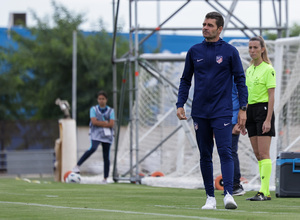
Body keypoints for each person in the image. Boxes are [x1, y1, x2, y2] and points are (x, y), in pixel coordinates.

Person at [176, 11, 248, 210]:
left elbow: (241, 81)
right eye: (204, 24)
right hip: (199, 111)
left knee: (225, 151)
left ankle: (228, 195)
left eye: (209, 25)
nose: (205, 27)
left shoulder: (230, 51)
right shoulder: (194, 51)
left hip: (223, 111)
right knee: (205, 154)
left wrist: (243, 109)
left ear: (219, 28)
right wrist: (180, 104)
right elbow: (185, 80)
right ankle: (210, 198)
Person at [245, 36, 276, 201]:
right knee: (257, 154)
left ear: (262, 49)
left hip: (264, 110)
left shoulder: (268, 69)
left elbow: (272, 96)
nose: (252, 51)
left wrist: (268, 119)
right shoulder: (249, 70)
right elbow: (247, 95)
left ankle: (264, 191)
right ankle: (264, 191)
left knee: (264, 153)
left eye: (255, 47)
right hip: (251, 111)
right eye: (250, 48)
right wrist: (243, 116)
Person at [73, 90, 115, 184]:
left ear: (106, 100)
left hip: (107, 135)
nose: (101, 100)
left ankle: (105, 178)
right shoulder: (93, 109)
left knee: (106, 156)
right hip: (95, 134)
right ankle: (77, 165)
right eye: (99, 99)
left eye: (103, 99)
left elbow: (112, 124)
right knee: (93, 148)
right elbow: (94, 122)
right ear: (97, 99)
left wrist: (101, 123)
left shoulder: (111, 111)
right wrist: (105, 123)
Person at [231, 79, 246, 196]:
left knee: (231, 151)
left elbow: (244, 97)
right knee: (224, 152)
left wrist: (239, 121)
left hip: (232, 119)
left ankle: (236, 184)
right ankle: (230, 184)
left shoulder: (235, 77)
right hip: (221, 118)